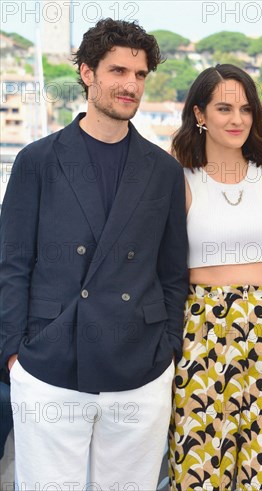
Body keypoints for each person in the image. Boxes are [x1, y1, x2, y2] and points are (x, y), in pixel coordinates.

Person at [0, 19, 188, 489]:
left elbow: (171, 270)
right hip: (49, 364)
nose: (130, 85)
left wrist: (167, 347)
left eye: (140, 75)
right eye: (118, 71)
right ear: (87, 73)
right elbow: (12, 263)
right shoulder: (38, 160)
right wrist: (13, 355)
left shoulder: (163, 170)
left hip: (140, 368)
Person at [168, 64, 262, 490]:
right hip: (202, 331)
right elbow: (165, 269)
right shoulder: (179, 178)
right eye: (224, 108)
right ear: (200, 114)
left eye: (246, 108)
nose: (237, 119)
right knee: (199, 471)